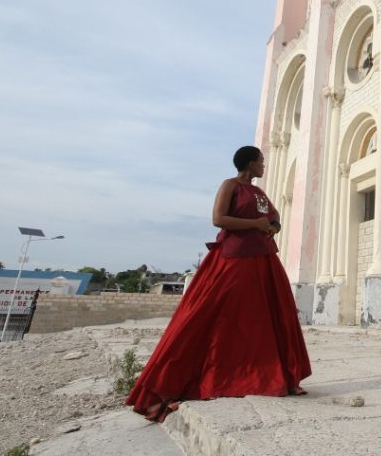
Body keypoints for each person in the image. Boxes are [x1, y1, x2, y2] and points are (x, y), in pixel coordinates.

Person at [127, 146, 312, 422]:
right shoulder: (231, 186)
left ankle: (280, 375)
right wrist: (255, 224)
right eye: (261, 161)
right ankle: (169, 386)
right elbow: (218, 219)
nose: (264, 165)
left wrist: (271, 226)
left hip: (264, 259)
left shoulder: (260, 193)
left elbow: (274, 218)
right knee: (210, 313)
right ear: (250, 164)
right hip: (234, 258)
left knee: (271, 316)